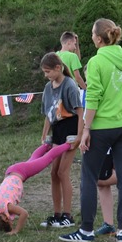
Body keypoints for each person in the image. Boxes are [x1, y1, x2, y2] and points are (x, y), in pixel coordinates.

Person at [59, 18, 122, 242]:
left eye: (91, 34)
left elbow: (93, 97)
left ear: (97, 38)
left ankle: (86, 230)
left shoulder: (96, 62)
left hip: (102, 128)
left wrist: (86, 129)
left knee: (89, 176)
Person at [0, 142, 74, 234]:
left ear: (6, 219)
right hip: (11, 171)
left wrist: (16, 230)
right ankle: (47, 145)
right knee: (34, 159)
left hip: (21, 172)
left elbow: (24, 214)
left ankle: (69, 144)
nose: (12, 220)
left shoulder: (8, 207)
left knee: (47, 158)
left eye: (11, 222)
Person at [39, 53, 83, 228]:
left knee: (63, 172)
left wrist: (79, 136)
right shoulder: (48, 88)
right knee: (54, 173)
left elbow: (80, 112)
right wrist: (44, 135)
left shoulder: (70, 85)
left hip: (71, 129)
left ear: (58, 68)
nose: (46, 75)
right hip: (57, 130)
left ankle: (68, 216)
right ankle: (57, 214)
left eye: (48, 71)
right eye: (44, 72)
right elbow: (48, 114)